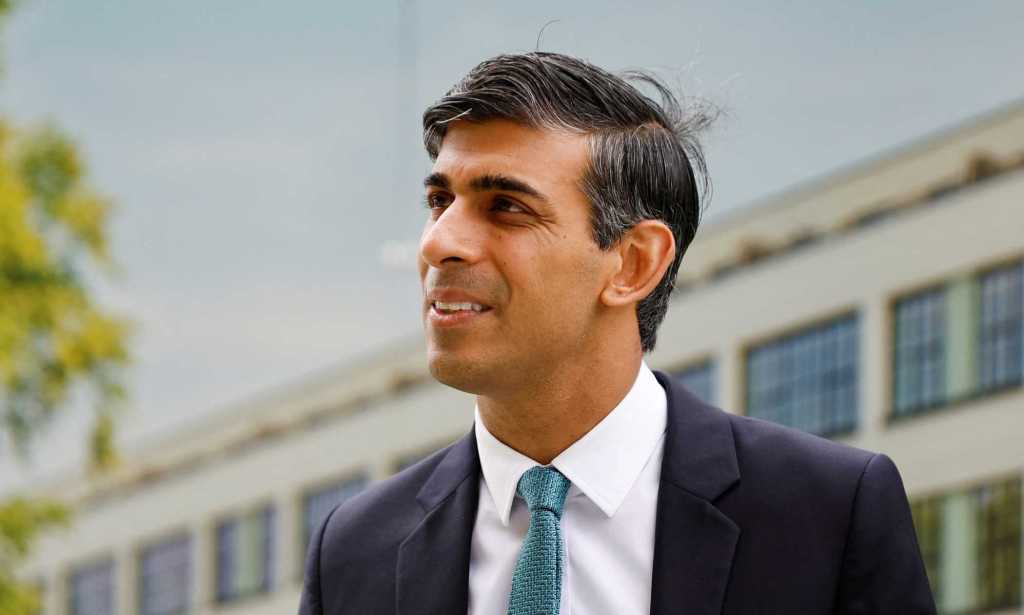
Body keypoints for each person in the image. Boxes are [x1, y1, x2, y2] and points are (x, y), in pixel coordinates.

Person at [298, 52, 936, 615]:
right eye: (441, 202)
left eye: (507, 207)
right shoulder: (353, 550)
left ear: (633, 264)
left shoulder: (827, 513)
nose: (440, 243)